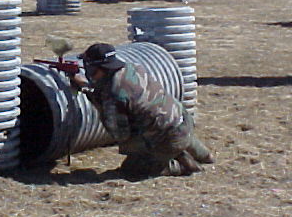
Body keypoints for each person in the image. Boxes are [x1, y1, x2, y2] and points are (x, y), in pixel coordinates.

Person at [71, 43, 213, 178]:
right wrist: (88, 87)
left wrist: (92, 96)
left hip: (167, 137)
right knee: (175, 132)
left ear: (99, 68)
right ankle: (205, 155)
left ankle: (186, 165)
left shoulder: (114, 96)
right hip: (182, 119)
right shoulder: (132, 68)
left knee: (131, 170)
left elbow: (121, 135)